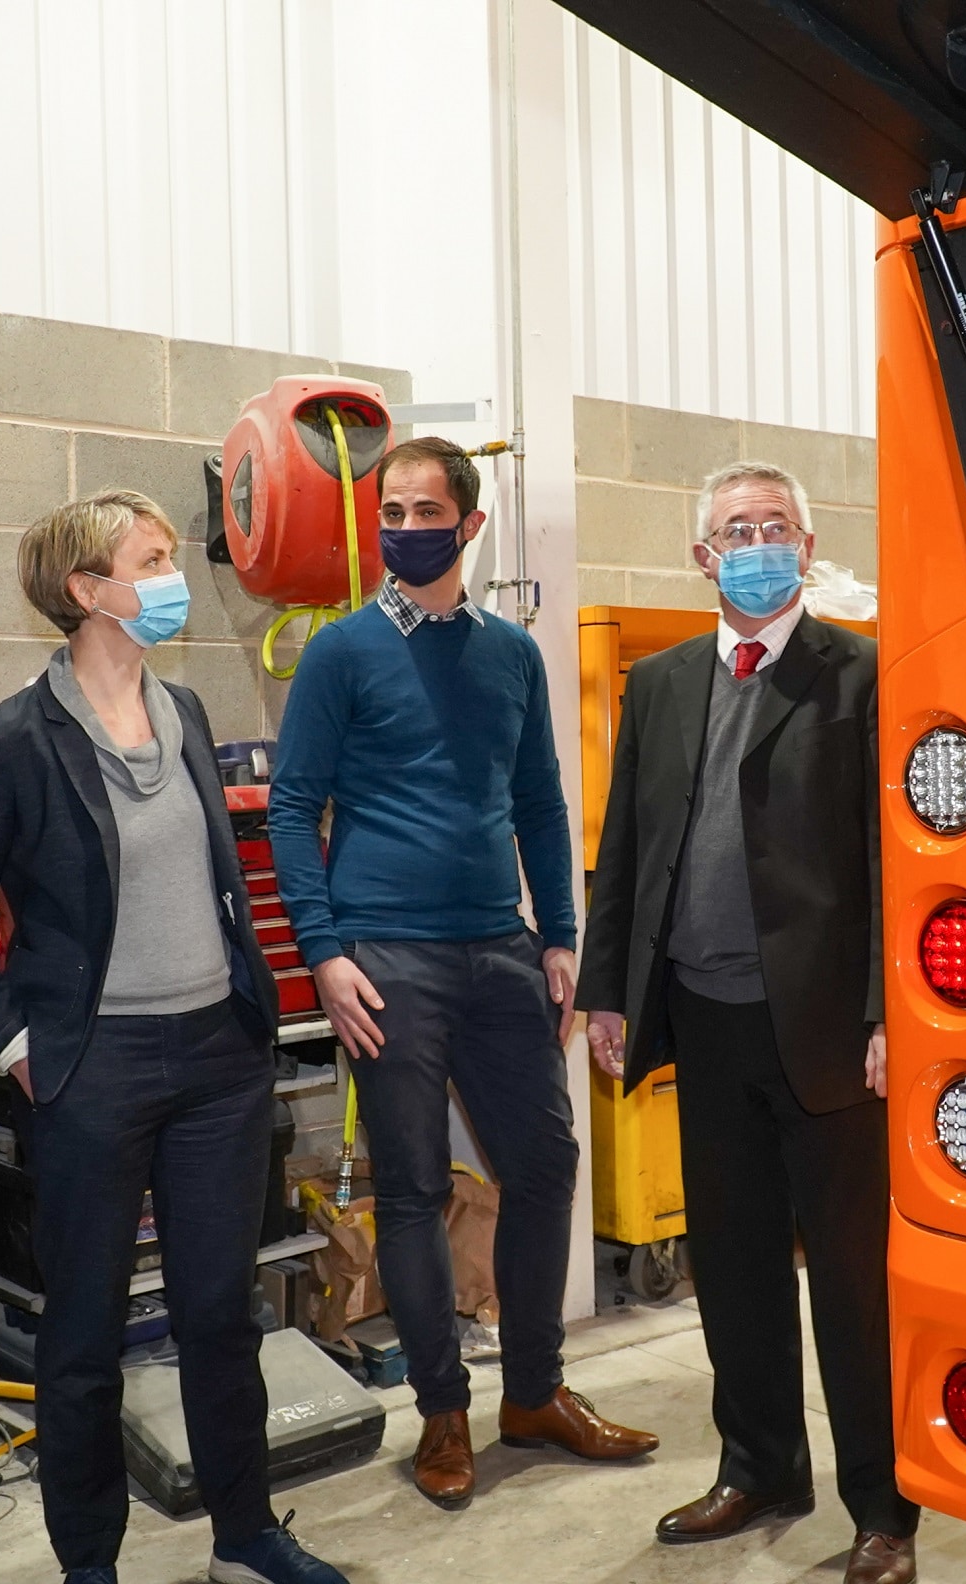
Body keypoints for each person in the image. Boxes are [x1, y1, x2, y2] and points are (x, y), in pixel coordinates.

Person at [0, 490, 348, 1584]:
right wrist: (20, 1050)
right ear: (87, 590)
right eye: (152, 560)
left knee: (222, 1315)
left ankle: (246, 1540)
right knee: (83, 1341)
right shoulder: (7, 741)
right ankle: (89, 1567)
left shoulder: (191, 711)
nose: (171, 577)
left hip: (217, 1057)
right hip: (93, 1067)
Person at [269, 436, 659, 1506]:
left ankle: (533, 1392)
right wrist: (325, 952)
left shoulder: (511, 654)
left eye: (424, 509)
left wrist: (562, 933)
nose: (402, 526)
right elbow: (296, 809)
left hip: (498, 947)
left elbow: (540, 799)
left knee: (544, 1165)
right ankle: (443, 1416)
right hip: (384, 956)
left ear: (470, 524)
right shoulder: (342, 653)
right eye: (388, 509)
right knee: (411, 1190)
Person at [575, 461, 919, 1584]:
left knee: (855, 1287)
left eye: (776, 525)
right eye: (736, 528)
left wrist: (887, 1012)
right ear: (703, 558)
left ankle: (884, 1508)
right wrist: (610, 989)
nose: (758, 540)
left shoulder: (863, 675)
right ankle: (761, 1467)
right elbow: (626, 844)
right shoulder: (665, 682)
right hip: (706, 1018)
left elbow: (893, 865)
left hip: (824, 1028)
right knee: (733, 1270)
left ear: (807, 546)